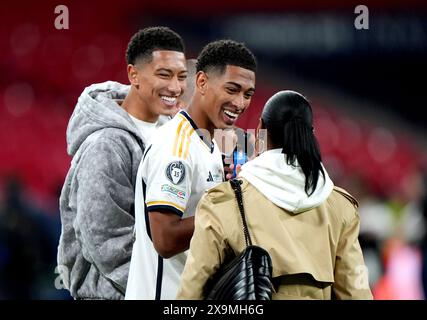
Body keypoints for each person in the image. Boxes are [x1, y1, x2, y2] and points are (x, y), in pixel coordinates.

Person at [177, 90, 374, 300]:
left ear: (261, 128)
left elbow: (192, 289)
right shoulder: (339, 205)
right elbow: (355, 292)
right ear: (310, 133)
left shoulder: (224, 200)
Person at [57, 26, 188, 300]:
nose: (175, 87)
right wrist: (160, 290)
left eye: (181, 76)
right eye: (164, 74)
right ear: (133, 75)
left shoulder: (173, 135)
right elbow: (105, 241)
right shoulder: (106, 144)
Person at [125, 39, 257, 300]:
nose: (240, 103)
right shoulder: (175, 146)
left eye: (248, 94)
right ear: (202, 82)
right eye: (232, 90)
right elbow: (165, 239)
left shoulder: (210, 143)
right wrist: (236, 205)